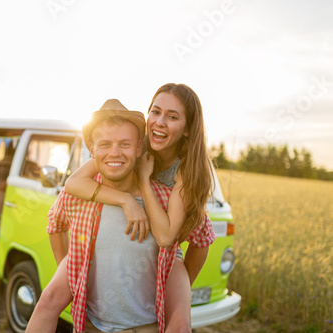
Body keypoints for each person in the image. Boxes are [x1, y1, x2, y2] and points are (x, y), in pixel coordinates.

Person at [26, 98, 215, 333]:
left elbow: (202, 236)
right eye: (104, 144)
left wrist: (181, 279)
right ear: (92, 150)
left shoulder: (168, 198)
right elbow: (55, 222)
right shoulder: (78, 194)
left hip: (146, 326)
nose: (114, 153)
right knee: (46, 301)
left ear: (139, 148)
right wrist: (71, 269)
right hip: (92, 325)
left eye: (125, 144)